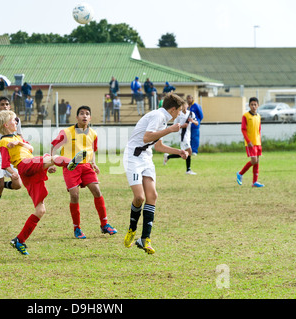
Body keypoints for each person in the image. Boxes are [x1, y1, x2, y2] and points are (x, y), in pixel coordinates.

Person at [0, 110, 87, 255]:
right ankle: (69, 164)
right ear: (6, 125)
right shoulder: (4, 142)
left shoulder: (17, 137)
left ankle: (19, 240)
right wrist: (13, 174)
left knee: (41, 210)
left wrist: (20, 143)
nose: (17, 122)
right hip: (24, 166)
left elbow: (30, 148)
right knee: (53, 157)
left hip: (30, 171)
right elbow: (5, 164)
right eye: (14, 120)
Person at [123, 93, 188, 255]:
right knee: (139, 197)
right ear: (172, 109)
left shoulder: (163, 118)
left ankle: (145, 238)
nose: (179, 114)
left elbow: (157, 146)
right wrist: (169, 130)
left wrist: (178, 151)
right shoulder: (158, 116)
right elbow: (146, 138)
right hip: (133, 157)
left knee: (152, 196)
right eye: (179, 111)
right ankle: (132, 229)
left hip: (146, 158)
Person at [51, 105, 117, 239]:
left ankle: (104, 224)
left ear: (90, 117)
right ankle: (77, 228)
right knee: (74, 196)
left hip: (86, 167)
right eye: (81, 113)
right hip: (71, 168)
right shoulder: (66, 132)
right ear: (76, 117)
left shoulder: (93, 133)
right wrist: (51, 162)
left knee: (97, 192)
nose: (84, 116)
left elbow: (92, 150)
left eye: (87, 114)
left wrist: (94, 163)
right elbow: (54, 146)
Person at [0, 97, 22, 218]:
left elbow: (19, 136)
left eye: (7, 104)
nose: (5, 106)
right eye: (2, 104)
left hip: (12, 155)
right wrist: (5, 144)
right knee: (0, 185)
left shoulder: (16, 120)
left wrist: (21, 143)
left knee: (18, 185)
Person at [163, 101, 199, 174]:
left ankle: (168, 157)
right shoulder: (179, 115)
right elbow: (175, 126)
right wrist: (183, 126)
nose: (184, 107)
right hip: (182, 135)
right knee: (189, 151)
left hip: (188, 135)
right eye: (182, 106)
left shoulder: (191, 114)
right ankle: (188, 170)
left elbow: (196, 123)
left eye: (185, 105)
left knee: (185, 152)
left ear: (187, 106)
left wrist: (192, 121)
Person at [236, 97, 264, 188]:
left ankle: (254, 182)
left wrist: (259, 141)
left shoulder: (258, 116)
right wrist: (248, 141)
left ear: (258, 105)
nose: (253, 106)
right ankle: (240, 173)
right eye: (252, 104)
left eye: (255, 104)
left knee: (257, 161)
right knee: (254, 160)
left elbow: (259, 130)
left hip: (257, 142)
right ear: (249, 105)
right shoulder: (246, 116)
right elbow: (243, 130)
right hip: (250, 143)